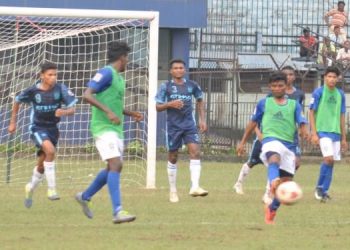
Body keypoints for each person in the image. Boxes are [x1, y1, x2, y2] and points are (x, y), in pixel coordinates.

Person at [75, 41, 143, 224]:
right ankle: (118, 211)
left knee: (111, 167)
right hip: (102, 128)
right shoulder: (106, 72)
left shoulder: (120, 79)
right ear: (122, 57)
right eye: (127, 57)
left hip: (115, 129)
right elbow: (87, 94)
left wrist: (129, 113)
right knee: (116, 164)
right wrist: (108, 112)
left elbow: (114, 105)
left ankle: (85, 196)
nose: (128, 61)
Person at [237, 72, 308, 224]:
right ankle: (273, 180)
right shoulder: (264, 103)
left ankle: (272, 208)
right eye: (274, 86)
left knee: (286, 182)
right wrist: (242, 141)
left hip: (289, 145)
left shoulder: (294, 104)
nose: (277, 88)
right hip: (270, 139)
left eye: (280, 85)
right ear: (270, 87)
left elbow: (301, 122)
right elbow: (252, 123)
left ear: (285, 86)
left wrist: (305, 132)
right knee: (273, 158)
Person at [8, 62, 77, 208]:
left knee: (42, 165)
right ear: (42, 76)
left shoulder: (61, 89)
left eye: (55, 75)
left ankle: (30, 187)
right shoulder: (33, 90)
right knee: (51, 151)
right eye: (50, 75)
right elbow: (17, 101)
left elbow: (72, 109)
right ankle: (52, 189)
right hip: (37, 127)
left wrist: (63, 112)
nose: (53, 78)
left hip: (53, 129)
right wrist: (13, 122)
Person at [155, 59, 208, 203]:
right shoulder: (165, 86)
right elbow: (157, 107)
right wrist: (170, 104)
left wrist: (202, 120)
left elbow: (200, 100)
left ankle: (195, 186)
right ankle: (173, 191)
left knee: (195, 152)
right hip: (173, 126)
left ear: (184, 70)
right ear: (171, 71)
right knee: (173, 157)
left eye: (181, 68)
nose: (179, 70)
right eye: (176, 68)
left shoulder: (192, 85)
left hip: (189, 125)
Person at [309, 66, 348, 203]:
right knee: (328, 159)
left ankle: (324, 191)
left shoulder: (340, 94)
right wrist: (314, 133)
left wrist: (344, 138)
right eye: (329, 76)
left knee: (332, 163)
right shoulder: (318, 92)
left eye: (334, 77)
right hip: (323, 131)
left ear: (338, 79)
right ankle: (319, 187)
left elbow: (342, 115)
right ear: (325, 77)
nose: (331, 79)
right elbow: (311, 112)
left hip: (335, 132)